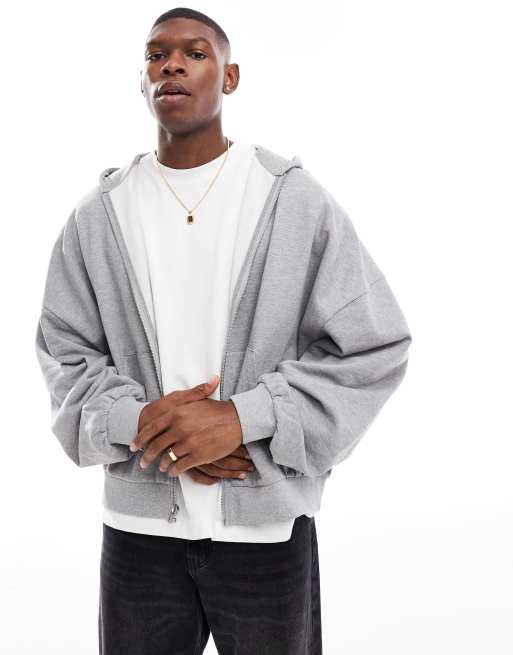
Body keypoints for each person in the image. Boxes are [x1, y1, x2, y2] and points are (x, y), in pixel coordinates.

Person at [35, 7, 412, 655]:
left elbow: (375, 344)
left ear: (229, 77)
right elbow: (64, 352)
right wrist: (145, 424)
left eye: (195, 53)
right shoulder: (99, 215)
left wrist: (241, 418)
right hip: (138, 535)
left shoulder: (291, 201)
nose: (172, 66)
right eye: (156, 55)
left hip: (264, 533)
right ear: (141, 80)